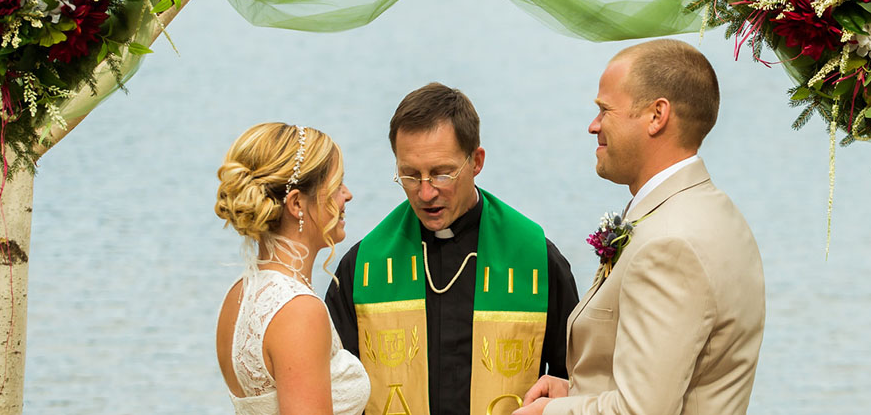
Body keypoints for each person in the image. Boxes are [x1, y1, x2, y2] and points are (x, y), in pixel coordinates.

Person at [517, 39, 765, 415]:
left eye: (605, 110)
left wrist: (546, 413)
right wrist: (576, 391)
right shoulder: (710, 210)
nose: (593, 125)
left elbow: (641, 410)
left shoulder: (670, 246)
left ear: (656, 115)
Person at [325, 83, 579, 415]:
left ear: (476, 161)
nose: (425, 193)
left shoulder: (536, 260)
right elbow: (335, 390)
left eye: (442, 174)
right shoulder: (362, 267)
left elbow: (577, 382)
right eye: (410, 175)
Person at [214, 123, 371, 415]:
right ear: (297, 203)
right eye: (337, 185)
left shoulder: (237, 295)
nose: (347, 195)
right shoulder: (299, 310)